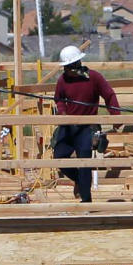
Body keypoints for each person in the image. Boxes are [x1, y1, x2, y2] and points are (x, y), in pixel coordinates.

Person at [52, 44, 120, 203]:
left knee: (84, 163)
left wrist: (115, 115)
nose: (66, 70)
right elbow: (59, 99)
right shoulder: (63, 81)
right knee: (59, 156)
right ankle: (79, 182)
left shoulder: (94, 77)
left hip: (87, 127)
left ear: (76, 64)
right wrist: (62, 113)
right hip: (69, 126)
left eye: (68, 67)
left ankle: (86, 200)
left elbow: (109, 95)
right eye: (65, 67)